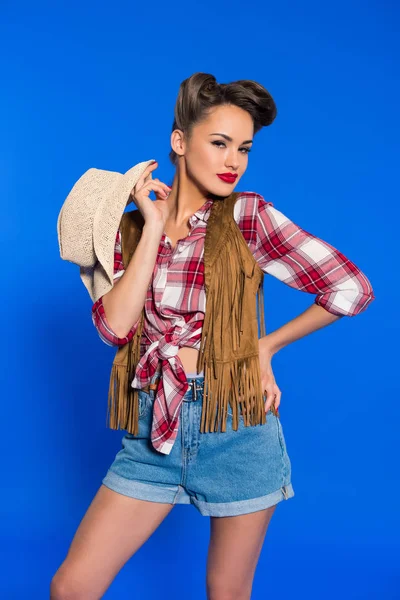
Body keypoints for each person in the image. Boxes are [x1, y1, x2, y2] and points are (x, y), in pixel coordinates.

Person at [50, 72, 375, 600]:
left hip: (237, 429)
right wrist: (153, 227)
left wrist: (264, 347)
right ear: (180, 142)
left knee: (226, 591)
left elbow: (350, 288)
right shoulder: (129, 230)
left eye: (244, 148)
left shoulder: (247, 215)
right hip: (153, 425)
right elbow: (115, 329)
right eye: (219, 143)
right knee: (73, 586)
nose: (234, 161)